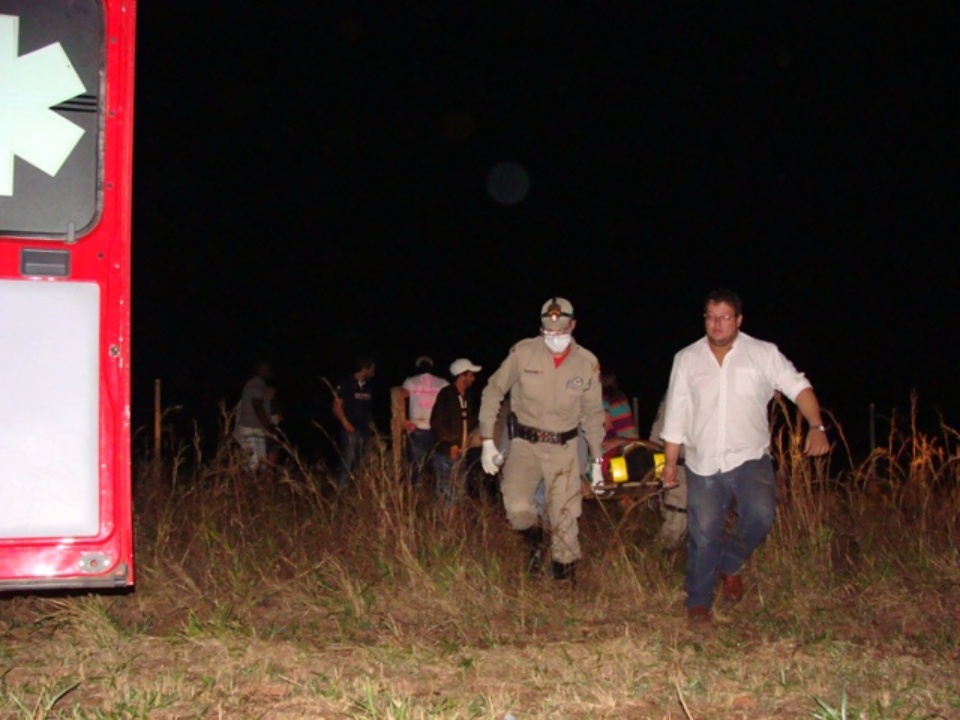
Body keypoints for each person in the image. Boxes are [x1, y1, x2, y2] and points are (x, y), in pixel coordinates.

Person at [659, 289, 831, 622]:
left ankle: (730, 563)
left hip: (750, 457)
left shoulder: (763, 353)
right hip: (703, 461)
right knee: (703, 531)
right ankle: (698, 602)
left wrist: (816, 426)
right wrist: (669, 463)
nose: (717, 323)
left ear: (738, 320)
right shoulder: (687, 358)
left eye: (724, 317)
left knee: (762, 514)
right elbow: (676, 415)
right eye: (710, 316)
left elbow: (798, 386)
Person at [478, 297, 605, 583]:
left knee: (565, 514)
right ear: (541, 328)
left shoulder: (587, 363)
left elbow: (593, 415)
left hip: (565, 447)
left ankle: (564, 577)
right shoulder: (523, 353)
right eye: (548, 333)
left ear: (573, 325)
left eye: (561, 332)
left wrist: (597, 461)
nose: (554, 338)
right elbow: (493, 391)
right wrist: (488, 439)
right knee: (516, 506)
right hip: (525, 444)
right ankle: (537, 541)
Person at [429, 358, 481, 508]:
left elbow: (465, 422)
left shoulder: (467, 397)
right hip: (446, 452)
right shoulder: (446, 394)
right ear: (461, 376)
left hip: (461, 451)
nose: (473, 378)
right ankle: (443, 524)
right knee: (446, 492)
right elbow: (437, 423)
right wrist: (451, 443)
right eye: (470, 374)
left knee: (458, 492)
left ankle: (453, 525)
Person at [400, 356, 449, 487]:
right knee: (432, 469)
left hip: (422, 430)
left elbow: (398, 399)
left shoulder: (411, 381)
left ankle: (416, 498)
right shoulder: (442, 382)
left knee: (415, 469)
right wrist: (404, 421)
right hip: (433, 430)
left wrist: (404, 421)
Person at [332, 356, 376, 488]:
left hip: (365, 431)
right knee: (347, 466)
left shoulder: (368, 387)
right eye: (372, 369)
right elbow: (335, 407)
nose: (373, 373)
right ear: (365, 369)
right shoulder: (346, 384)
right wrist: (346, 424)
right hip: (350, 432)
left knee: (363, 467)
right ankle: (340, 499)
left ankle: (358, 497)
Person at [649, 395, 686, 551]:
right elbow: (657, 439)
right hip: (678, 465)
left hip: (705, 467)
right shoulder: (676, 395)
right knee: (676, 514)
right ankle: (658, 560)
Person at [235, 361, 275, 470]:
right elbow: (257, 405)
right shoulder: (257, 384)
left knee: (253, 466)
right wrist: (268, 427)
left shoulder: (257, 385)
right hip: (252, 430)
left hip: (250, 429)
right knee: (254, 466)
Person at [600, 369, 640, 452]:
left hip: (621, 445)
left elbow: (608, 431)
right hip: (633, 443)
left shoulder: (604, 401)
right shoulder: (620, 397)